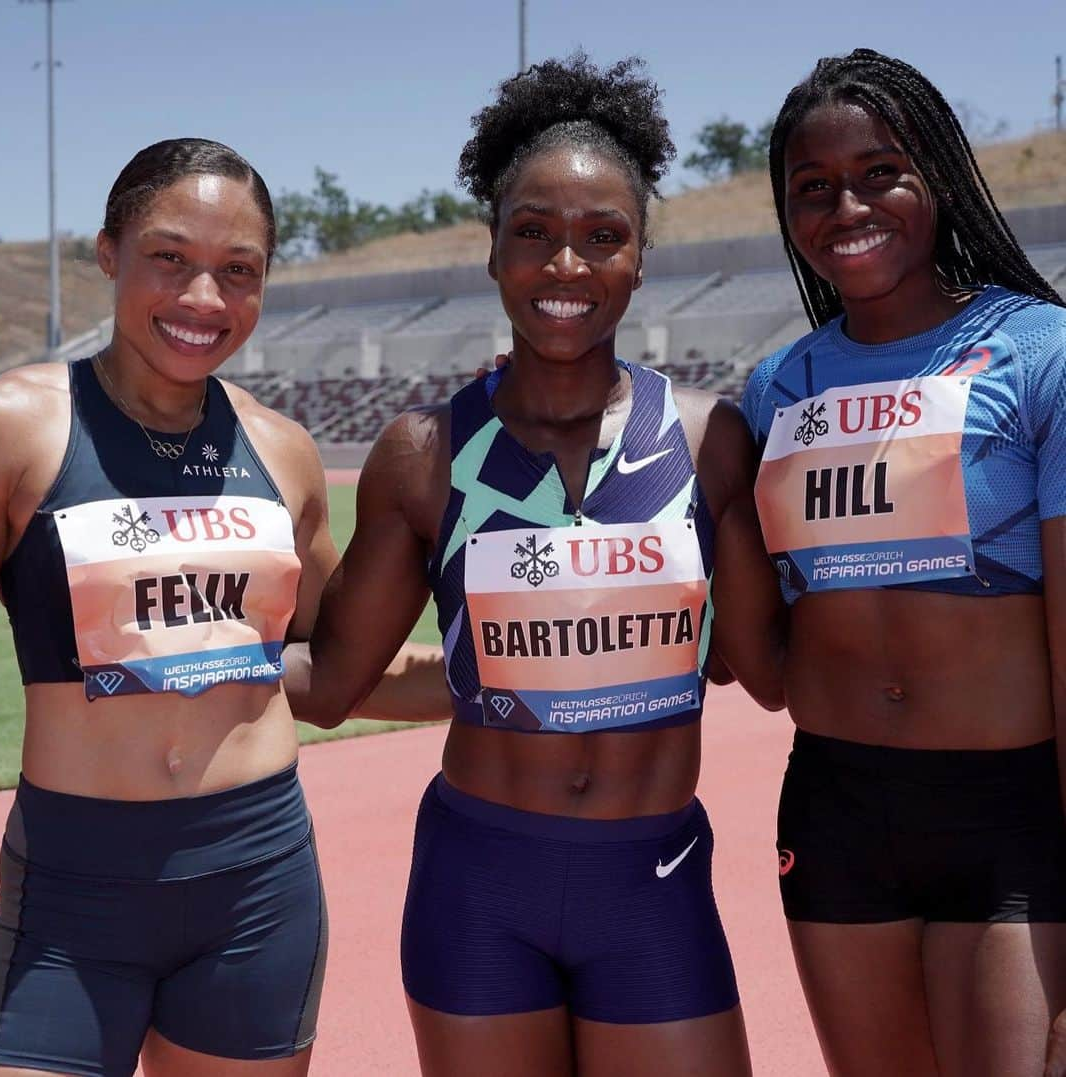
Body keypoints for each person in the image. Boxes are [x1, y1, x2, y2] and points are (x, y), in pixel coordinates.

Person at [288, 54, 785, 1077]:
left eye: (603, 238)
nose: (567, 267)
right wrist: (193, 657)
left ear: (641, 260)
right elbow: (332, 685)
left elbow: (761, 671)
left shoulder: (709, 442)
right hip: (480, 885)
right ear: (493, 251)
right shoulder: (423, 455)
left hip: (650, 879)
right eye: (535, 234)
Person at [0, 137, 439, 1077]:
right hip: (71, 896)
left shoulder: (282, 450)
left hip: (256, 887)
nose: (204, 300)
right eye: (170, 258)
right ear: (108, 252)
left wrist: (513, 673)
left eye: (239, 271)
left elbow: (327, 674)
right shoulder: (15, 428)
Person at [739, 48, 1066, 1077]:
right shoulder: (772, 390)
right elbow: (760, 654)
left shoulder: (1041, 351)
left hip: (1009, 808)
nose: (848, 205)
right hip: (839, 807)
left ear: (938, 173)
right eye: (813, 187)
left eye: (880, 171)